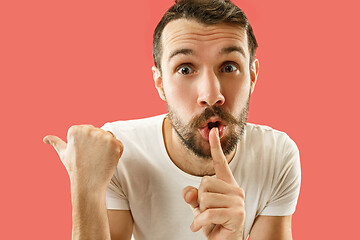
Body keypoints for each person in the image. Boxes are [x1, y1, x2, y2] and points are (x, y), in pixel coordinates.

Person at [43, 0, 301, 239]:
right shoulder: (118, 152)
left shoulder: (276, 156)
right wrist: (86, 189)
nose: (211, 95)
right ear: (160, 83)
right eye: (185, 69)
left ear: (253, 75)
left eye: (229, 67)